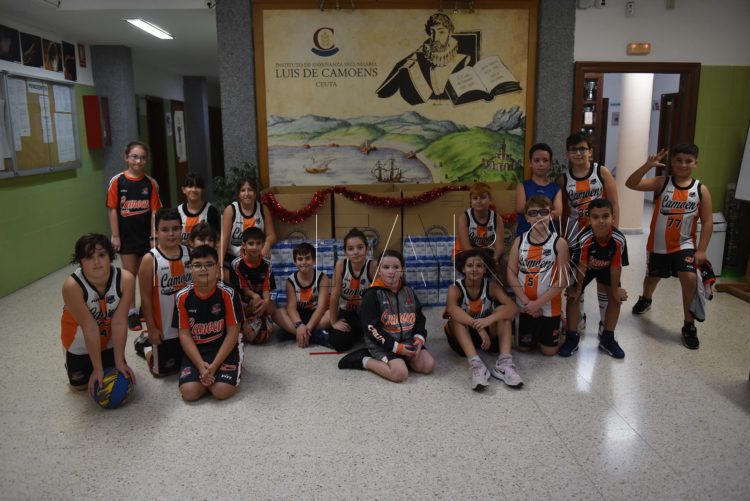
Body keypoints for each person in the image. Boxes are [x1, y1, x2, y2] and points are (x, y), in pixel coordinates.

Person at [625, 144, 713, 349]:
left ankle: (689, 325)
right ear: (672, 162)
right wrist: (648, 165)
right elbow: (631, 183)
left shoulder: (700, 190)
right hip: (658, 245)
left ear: (695, 163)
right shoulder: (662, 182)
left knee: (689, 279)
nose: (683, 164)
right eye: (678, 160)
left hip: (685, 244)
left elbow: (708, 221)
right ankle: (646, 298)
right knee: (652, 279)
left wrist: (701, 249)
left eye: (688, 161)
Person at [338, 250, 435, 382]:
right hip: (382, 343)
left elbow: (419, 318)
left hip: (406, 340)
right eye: (386, 267)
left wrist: (419, 338)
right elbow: (371, 328)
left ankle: (401, 358)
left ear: (402, 270)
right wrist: (396, 348)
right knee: (400, 374)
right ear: (379, 270)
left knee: (428, 365)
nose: (391, 271)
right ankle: (364, 359)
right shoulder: (372, 295)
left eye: (396, 267)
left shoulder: (409, 291)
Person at [61, 234, 136, 397]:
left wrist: (120, 361)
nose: (96, 262)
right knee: (80, 387)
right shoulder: (72, 286)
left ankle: (141, 347)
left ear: (110, 256)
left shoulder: (126, 279)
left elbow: (119, 322)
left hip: (109, 342)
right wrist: (97, 368)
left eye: (101, 255)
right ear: (80, 261)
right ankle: (72, 362)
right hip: (79, 343)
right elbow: (89, 327)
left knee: (118, 376)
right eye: (89, 257)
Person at [559, 133, 619, 333]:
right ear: (567, 154)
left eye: (582, 149)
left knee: (604, 280)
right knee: (578, 279)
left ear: (590, 152)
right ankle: (580, 318)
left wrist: (614, 232)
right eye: (573, 150)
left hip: (602, 235)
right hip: (576, 235)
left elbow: (614, 203)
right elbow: (564, 211)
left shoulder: (601, 172)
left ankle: (604, 322)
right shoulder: (564, 178)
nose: (578, 153)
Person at [560, 198, 628, 359]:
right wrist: (577, 289)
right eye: (596, 217)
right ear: (589, 220)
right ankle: (572, 337)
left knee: (615, 298)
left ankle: (608, 338)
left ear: (613, 217)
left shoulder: (619, 239)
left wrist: (615, 290)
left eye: (605, 216)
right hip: (585, 268)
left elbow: (616, 267)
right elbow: (582, 265)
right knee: (573, 296)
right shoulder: (584, 238)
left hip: (607, 267)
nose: (601, 221)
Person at [444, 248, 519, 391]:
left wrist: (488, 320)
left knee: (503, 312)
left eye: (479, 266)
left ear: (485, 269)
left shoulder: (492, 287)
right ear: (463, 269)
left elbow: (512, 307)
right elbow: (452, 310)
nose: (474, 269)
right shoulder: (455, 288)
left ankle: (504, 364)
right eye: (469, 265)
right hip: (462, 339)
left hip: (488, 338)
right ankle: (476, 365)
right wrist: (478, 326)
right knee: (455, 318)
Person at [106, 141, 162, 331]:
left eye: (142, 157)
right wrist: (115, 236)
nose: (138, 161)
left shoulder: (151, 183)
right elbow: (112, 210)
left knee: (146, 274)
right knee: (129, 275)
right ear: (126, 158)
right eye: (134, 157)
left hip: (146, 237)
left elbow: (155, 212)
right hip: (126, 236)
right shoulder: (117, 181)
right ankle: (130, 312)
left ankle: (145, 308)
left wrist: (154, 237)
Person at [175, 245, 243, 401]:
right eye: (197, 265)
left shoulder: (229, 293)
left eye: (209, 264)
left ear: (217, 267)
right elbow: (184, 335)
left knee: (221, 391)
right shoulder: (182, 296)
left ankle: (235, 364)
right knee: (189, 393)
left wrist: (214, 366)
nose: (203, 269)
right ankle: (207, 378)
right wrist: (201, 366)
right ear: (190, 269)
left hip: (224, 348)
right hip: (197, 351)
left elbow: (233, 333)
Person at [507, 195, 569, 357]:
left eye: (543, 212)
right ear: (527, 217)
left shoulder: (559, 243)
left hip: (549, 305)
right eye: (533, 213)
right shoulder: (519, 241)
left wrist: (539, 304)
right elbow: (511, 273)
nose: (538, 216)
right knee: (523, 348)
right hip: (525, 305)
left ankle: (559, 321)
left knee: (549, 352)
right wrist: (527, 303)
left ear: (551, 215)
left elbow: (562, 280)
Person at [137, 208, 192, 376]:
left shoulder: (190, 253)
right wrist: (152, 329)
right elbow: (145, 298)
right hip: (164, 329)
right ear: (156, 232)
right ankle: (145, 346)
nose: (171, 234)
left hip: (189, 326)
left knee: (190, 364)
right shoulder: (150, 259)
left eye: (175, 228)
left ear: (181, 229)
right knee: (162, 372)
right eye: (165, 229)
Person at [376, 12, 472, 105]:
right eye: (432, 32)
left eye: (441, 32)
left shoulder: (462, 59)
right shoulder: (417, 57)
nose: (435, 38)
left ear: (449, 33)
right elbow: (385, 93)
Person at [232, 227, 296, 344]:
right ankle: (241, 329)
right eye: (251, 244)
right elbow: (242, 288)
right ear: (244, 245)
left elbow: (267, 287)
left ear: (263, 245)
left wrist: (266, 301)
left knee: (274, 309)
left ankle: (298, 333)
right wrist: (254, 296)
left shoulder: (267, 264)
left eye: (258, 243)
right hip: (244, 302)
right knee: (237, 308)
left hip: (261, 301)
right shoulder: (237, 264)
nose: (255, 247)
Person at [329, 228, 377, 352]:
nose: (355, 252)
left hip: (366, 314)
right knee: (338, 343)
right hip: (347, 313)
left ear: (367, 248)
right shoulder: (341, 265)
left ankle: (359, 332)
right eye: (350, 249)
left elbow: (380, 297)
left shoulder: (373, 266)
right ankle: (358, 333)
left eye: (360, 247)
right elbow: (334, 295)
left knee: (379, 340)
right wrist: (334, 322)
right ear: (345, 252)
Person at [284, 242, 332, 348]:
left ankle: (300, 334)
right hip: (300, 314)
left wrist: (308, 327)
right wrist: (299, 325)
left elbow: (321, 307)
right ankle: (315, 336)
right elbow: (291, 308)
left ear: (314, 260)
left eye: (307, 258)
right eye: (300, 259)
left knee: (331, 315)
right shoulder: (290, 281)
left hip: (317, 315)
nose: (304, 262)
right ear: (295, 261)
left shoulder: (322, 278)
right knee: (278, 313)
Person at [221, 176, 276, 264]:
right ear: (238, 194)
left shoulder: (263, 209)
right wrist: (220, 265)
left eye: (250, 190)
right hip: (233, 258)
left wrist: (267, 245)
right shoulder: (231, 210)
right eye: (243, 190)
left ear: (255, 193)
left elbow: (271, 235)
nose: (246, 193)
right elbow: (224, 239)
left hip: (257, 258)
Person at [455, 182, 505, 272]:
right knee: (471, 265)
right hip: (466, 252)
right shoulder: (464, 218)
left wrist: (494, 260)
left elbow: (500, 247)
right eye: (475, 198)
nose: (479, 201)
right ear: (470, 201)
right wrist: (479, 262)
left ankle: (495, 281)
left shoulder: (496, 218)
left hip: (487, 252)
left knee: (504, 261)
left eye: (483, 197)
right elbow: (465, 247)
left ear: (490, 200)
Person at [515, 143, 563, 236]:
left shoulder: (555, 188)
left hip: (549, 237)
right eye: (536, 160)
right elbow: (520, 208)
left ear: (550, 164)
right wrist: (545, 212)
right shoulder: (522, 186)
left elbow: (558, 214)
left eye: (545, 160)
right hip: (525, 235)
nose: (541, 164)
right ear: (530, 163)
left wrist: (534, 212)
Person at [177, 173, 221, 245]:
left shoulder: (211, 210)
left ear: (203, 190)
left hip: (205, 251)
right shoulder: (178, 211)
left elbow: (216, 238)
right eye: (190, 186)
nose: (194, 189)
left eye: (197, 186)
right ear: (183, 189)